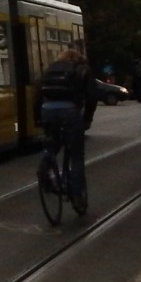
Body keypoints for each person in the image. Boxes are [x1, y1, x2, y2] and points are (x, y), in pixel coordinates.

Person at [39, 49, 97, 202]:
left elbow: (38, 94)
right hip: (70, 112)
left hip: (48, 111)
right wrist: (87, 119)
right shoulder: (83, 69)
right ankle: (77, 193)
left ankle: (44, 168)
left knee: (53, 145)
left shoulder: (50, 69)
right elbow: (92, 97)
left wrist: (37, 119)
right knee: (77, 154)